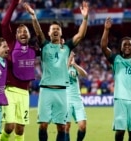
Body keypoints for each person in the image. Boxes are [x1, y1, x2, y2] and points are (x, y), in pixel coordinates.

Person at [23, 1, 89, 141]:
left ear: (61, 32)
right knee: (43, 125)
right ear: (49, 32)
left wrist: (85, 18)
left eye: (57, 29)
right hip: (46, 90)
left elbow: (80, 35)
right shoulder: (45, 45)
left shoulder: (67, 47)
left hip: (62, 92)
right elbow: (38, 32)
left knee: (62, 127)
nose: (55, 31)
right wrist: (34, 16)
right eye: (52, 29)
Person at [0, 0, 39, 140]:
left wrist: (33, 16)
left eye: (25, 31)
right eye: (19, 31)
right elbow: (4, 24)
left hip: (24, 93)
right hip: (9, 90)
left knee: (20, 129)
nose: (22, 33)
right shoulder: (11, 43)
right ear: (16, 35)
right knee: (9, 126)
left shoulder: (33, 50)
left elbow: (44, 43)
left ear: (28, 35)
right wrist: (14, 3)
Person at [65, 51, 87, 141]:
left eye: (72, 57)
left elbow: (84, 74)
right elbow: (62, 74)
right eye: (70, 57)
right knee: (66, 127)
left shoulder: (74, 69)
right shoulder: (62, 68)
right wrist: (69, 59)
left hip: (77, 100)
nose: (71, 58)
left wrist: (75, 65)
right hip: (66, 100)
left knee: (82, 126)